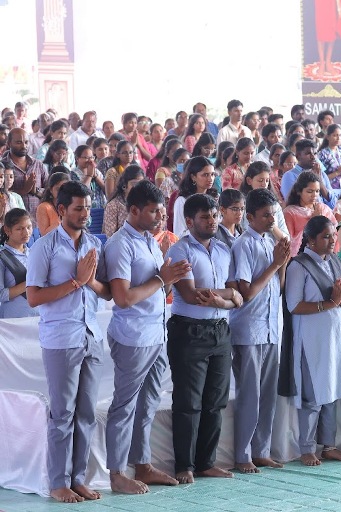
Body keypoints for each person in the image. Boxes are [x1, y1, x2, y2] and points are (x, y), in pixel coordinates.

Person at [26, 181, 111, 503]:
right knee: (62, 414)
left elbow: (101, 290)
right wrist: (76, 281)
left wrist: (91, 281)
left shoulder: (93, 243)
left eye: (88, 207)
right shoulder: (44, 247)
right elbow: (34, 297)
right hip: (61, 338)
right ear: (61, 210)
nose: (86, 214)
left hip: (91, 335)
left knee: (87, 412)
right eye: (79, 208)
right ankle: (58, 483)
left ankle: (78, 479)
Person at [103, 181, 188, 494]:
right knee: (124, 406)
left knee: (149, 401)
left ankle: (143, 463)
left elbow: (156, 289)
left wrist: (170, 279)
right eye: (153, 211)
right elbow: (123, 298)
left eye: (161, 211)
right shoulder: (119, 244)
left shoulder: (151, 241)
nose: (160, 217)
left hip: (157, 331)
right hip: (132, 335)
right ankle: (116, 473)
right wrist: (161, 278)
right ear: (134, 210)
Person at [165, 193, 244, 484]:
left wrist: (223, 295)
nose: (212, 221)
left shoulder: (225, 249)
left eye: (214, 216)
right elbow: (191, 294)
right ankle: (183, 465)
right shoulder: (180, 250)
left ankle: (205, 462)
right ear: (189, 221)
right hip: (189, 330)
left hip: (220, 330)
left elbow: (238, 293)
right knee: (188, 401)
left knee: (216, 400)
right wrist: (227, 295)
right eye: (205, 217)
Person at [284, 216, 341, 466]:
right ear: (311, 240)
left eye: (333, 236)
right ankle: (306, 447)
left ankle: (329, 445)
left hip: (335, 337)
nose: (331, 241)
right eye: (326, 237)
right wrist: (330, 303)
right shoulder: (299, 266)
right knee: (313, 393)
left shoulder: (336, 261)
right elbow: (294, 305)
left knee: (332, 390)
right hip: (312, 339)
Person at [227, 188, 291, 473]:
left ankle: (261, 450)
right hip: (249, 329)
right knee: (249, 395)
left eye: (274, 215)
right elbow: (247, 292)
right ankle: (243, 454)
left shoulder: (269, 243)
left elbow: (278, 288)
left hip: (270, 327)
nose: (271, 220)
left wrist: (283, 264)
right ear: (249, 217)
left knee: (267, 395)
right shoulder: (244, 245)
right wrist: (276, 264)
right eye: (265, 215)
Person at [284, 171, 338, 257]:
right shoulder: (290, 212)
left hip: (326, 257)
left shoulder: (324, 209)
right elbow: (288, 242)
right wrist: (313, 221)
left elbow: (335, 234)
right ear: (299, 191)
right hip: (301, 258)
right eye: (309, 191)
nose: (314, 195)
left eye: (317, 191)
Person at [3, 128, 47, 225]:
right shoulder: (3, 166)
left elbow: (50, 192)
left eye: (26, 142)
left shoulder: (38, 165)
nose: (24, 146)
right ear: (9, 143)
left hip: (38, 222)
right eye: (19, 142)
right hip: (13, 225)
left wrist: (36, 191)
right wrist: (23, 190)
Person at [0, 208, 37, 318]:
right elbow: (1, 295)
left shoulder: (33, 253)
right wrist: (31, 282)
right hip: (14, 320)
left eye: (29, 227)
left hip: (37, 316)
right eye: (19, 229)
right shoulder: (2, 257)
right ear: (7, 230)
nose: (26, 232)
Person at [280, 139, 337, 209]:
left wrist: (320, 182)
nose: (313, 157)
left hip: (326, 215)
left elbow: (334, 204)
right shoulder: (289, 176)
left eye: (315, 153)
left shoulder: (322, 174)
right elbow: (292, 204)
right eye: (308, 153)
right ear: (298, 156)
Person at [171, 156, 217, 236]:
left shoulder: (215, 197)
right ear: (193, 177)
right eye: (205, 175)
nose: (210, 179)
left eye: (212, 174)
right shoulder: (182, 201)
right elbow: (179, 234)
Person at [103, 166, 145, 237]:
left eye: (141, 184)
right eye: (134, 184)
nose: (138, 187)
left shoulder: (145, 204)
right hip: (121, 244)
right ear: (124, 186)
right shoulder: (113, 205)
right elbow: (110, 235)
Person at [317, 124, 341, 191]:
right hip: (329, 189)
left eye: (340, 135)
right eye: (335, 135)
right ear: (327, 137)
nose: (338, 138)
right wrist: (338, 172)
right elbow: (320, 178)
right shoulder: (322, 154)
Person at [72, 145, 107, 209]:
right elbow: (81, 192)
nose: (90, 160)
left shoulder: (97, 172)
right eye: (86, 158)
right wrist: (89, 175)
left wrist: (96, 177)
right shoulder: (73, 174)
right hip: (84, 209)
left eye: (91, 157)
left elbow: (106, 190)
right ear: (77, 158)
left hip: (101, 208)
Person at [36, 171, 70, 235]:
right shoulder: (43, 207)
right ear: (51, 190)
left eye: (65, 189)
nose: (61, 192)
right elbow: (44, 235)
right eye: (58, 189)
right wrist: (62, 221)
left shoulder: (72, 205)